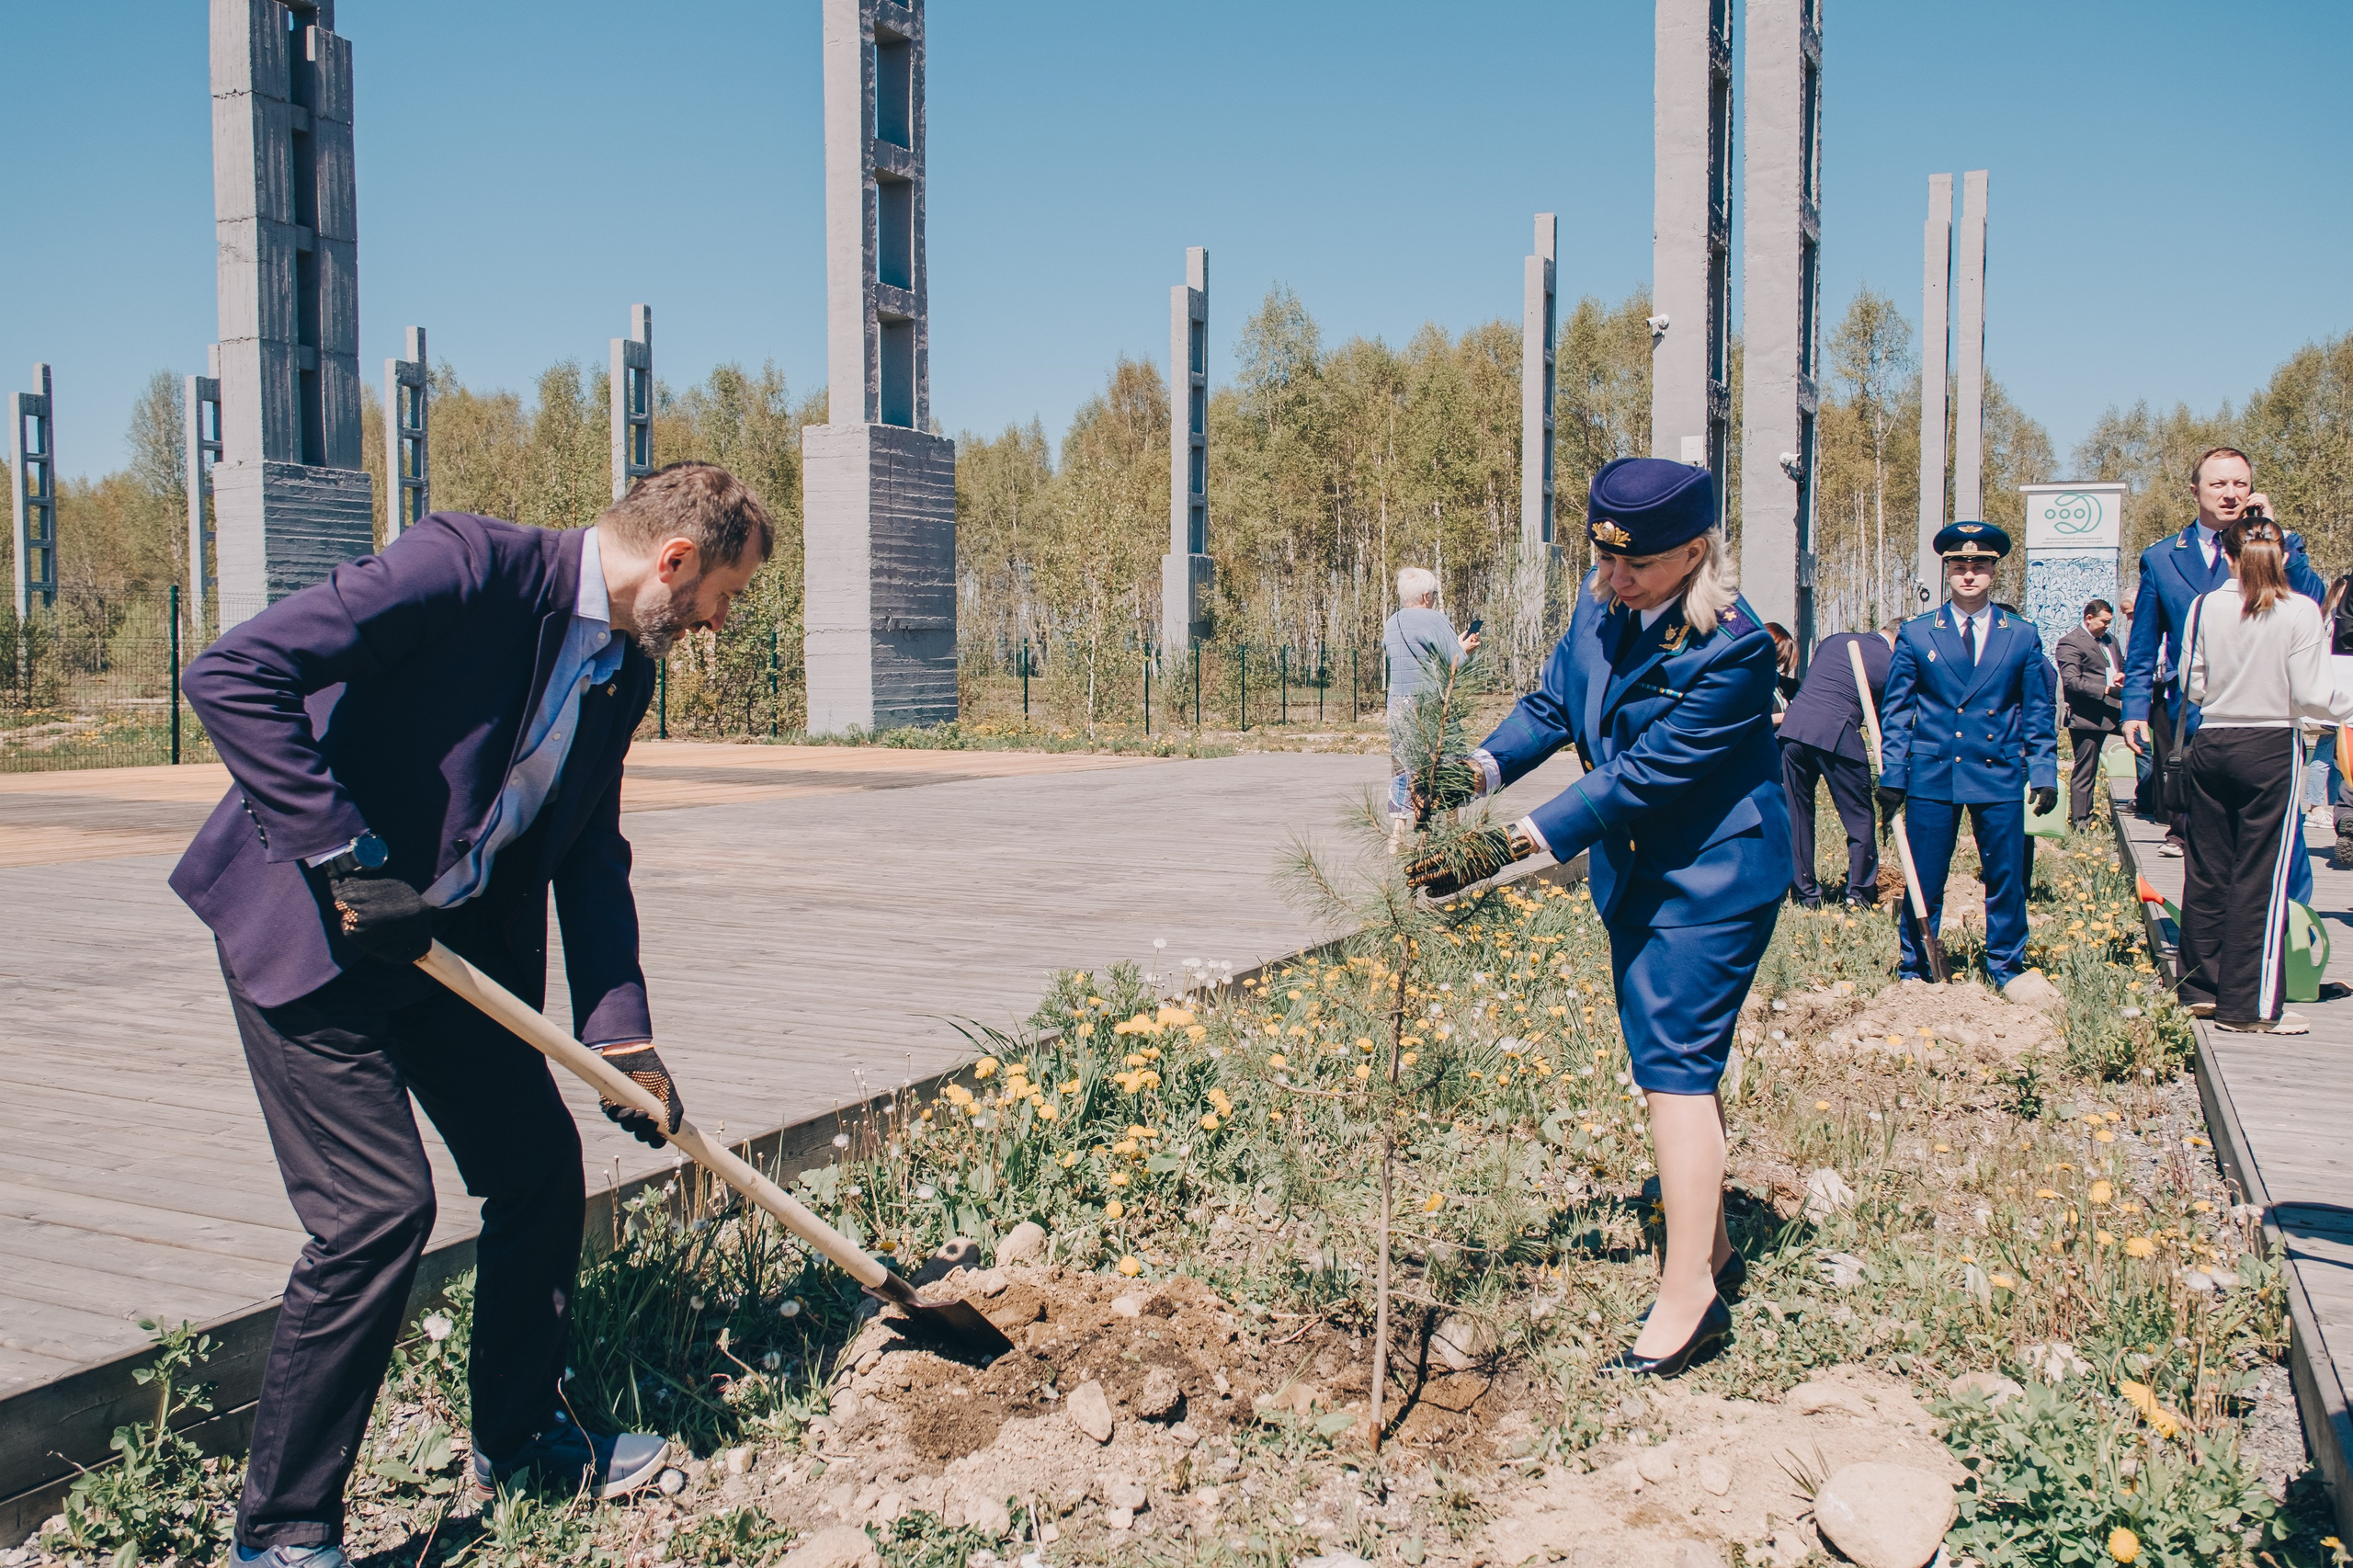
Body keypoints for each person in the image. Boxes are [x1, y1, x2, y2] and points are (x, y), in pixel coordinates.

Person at [170, 464, 772, 1565]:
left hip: (439, 953)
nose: (717, 621)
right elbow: (233, 672)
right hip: (312, 928)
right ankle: (282, 1531)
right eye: (721, 594)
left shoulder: (621, 678)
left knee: (538, 1164)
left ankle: (524, 1436)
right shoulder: (468, 566)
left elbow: (590, 854)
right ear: (674, 560)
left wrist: (620, 1031)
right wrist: (344, 854)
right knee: (374, 1211)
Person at [1405, 456, 1790, 1378]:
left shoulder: (1732, 649)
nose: (1617, 579)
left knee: (1675, 1068)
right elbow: (1551, 703)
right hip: (1634, 872)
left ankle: (1688, 1292)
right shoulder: (1602, 597)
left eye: (1640, 565)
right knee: (1667, 1063)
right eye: (1606, 559)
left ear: (1695, 553)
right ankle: (1714, 1247)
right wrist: (1476, 770)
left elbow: (1641, 775)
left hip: (1712, 876)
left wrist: (1507, 845)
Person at [2178, 517, 2353, 1033]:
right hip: (2271, 742)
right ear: (2282, 556)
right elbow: (2314, 695)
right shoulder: (2297, 609)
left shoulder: (2205, 605)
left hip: (2212, 740)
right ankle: (2248, 1006)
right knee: (2263, 879)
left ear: (2226, 556)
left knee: (2207, 868)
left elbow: (2194, 683)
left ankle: (2200, 987)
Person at [1875, 521, 2061, 1005]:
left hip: (1998, 771)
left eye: (1979, 565)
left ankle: (2005, 964)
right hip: (1933, 773)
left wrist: (2043, 768)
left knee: (2007, 877)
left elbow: (2037, 708)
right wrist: (1894, 775)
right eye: (1960, 565)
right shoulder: (1918, 634)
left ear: (1994, 572)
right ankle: (1916, 966)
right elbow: (1896, 712)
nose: (1970, 574)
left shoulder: (2021, 635)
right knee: (1925, 877)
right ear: (1947, 572)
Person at [2120, 447, 2325, 859]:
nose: (2230, 493)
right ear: (2195, 490)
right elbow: (2144, 646)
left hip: (2270, 719)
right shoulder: (2162, 558)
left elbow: (2314, 601)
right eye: (2218, 484)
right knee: (2205, 848)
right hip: (2197, 716)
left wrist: (2275, 534)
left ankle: (2279, 921)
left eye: (2240, 484)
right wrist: (2134, 711)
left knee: (2275, 848)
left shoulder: (2278, 545)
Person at [1776, 621, 1899, 908]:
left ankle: (1805, 893)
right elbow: (1886, 717)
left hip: (1794, 730)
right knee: (1860, 817)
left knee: (1797, 815)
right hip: (1838, 733)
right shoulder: (1893, 661)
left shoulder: (1834, 640)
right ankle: (1859, 895)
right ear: (1898, 640)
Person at [1383, 565, 1481, 835]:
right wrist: (1466, 648)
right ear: (1426, 596)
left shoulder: (1393, 622)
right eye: (1435, 593)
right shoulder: (1436, 619)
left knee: (1403, 762)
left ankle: (1398, 831)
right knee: (1447, 759)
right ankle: (1452, 822)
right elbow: (1454, 662)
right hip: (1430, 702)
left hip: (1398, 703)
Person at [2056, 598, 2126, 828]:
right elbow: (2072, 682)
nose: (2107, 626)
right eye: (2104, 622)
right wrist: (2106, 689)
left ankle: (2147, 799)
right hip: (2088, 717)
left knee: (2145, 750)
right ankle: (2081, 820)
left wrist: (2122, 677)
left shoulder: (2110, 640)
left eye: (2110, 622)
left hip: (2114, 711)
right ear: (2089, 618)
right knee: (2086, 768)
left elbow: (2120, 665)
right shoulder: (2070, 643)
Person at [1765, 622, 1802, 721]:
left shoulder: (1781, 683)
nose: (1777, 666)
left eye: (1780, 662)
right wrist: (1786, 718)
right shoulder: (1744, 683)